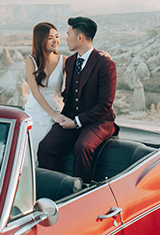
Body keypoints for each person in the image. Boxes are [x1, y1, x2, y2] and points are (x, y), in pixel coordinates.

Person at [37, 16, 117, 183]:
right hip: (71, 116)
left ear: (80, 38)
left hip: (99, 121)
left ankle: (80, 190)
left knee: (83, 147)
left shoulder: (105, 64)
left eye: (68, 34)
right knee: (46, 147)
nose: (65, 39)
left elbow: (105, 105)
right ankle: (51, 186)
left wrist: (76, 122)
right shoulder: (71, 61)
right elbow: (72, 92)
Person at [24, 22, 66, 162]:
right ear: (40, 40)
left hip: (57, 107)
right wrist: (53, 115)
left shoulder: (64, 60)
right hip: (36, 108)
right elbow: (36, 93)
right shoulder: (31, 60)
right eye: (50, 38)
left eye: (57, 36)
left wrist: (103, 56)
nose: (55, 41)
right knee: (33, 139)